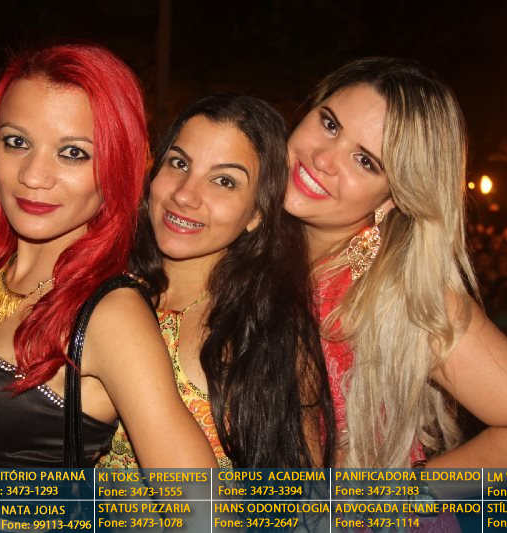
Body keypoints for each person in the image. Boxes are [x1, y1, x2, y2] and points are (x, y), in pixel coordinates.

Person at [0, 44, 216, 469]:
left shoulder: (111, 315)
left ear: (117, 167)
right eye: (16, 142)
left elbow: (201, 500)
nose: (33, 176)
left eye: (73, 153)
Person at [285, 57, 507, 468]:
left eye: (366, 161)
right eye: (330, 124)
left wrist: (400, 493)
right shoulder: (244, 234)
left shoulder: (402, 296)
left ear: (395, 197)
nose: (323, 158)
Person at [98, 94, 334, 469]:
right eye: (179, 163)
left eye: (224, 181)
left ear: (257, 213)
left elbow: (301, 489)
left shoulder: (271, 333)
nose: (185, 195)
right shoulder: (98, 283)